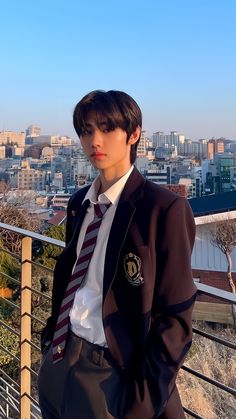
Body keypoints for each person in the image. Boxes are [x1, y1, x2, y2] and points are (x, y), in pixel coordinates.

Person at [38, 90, 197, 419]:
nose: (95, 140)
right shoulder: (79, 202)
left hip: (111, 377)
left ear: (134, 134)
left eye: (107, 128)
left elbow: (175, 322)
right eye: (85, 130)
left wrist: (139, 405)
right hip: (59, 360)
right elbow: (72, 276)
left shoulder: (163, 209)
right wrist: (50, 340)